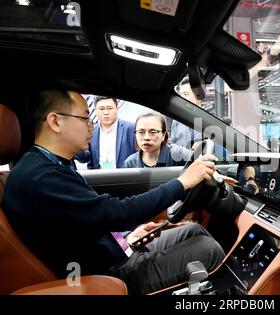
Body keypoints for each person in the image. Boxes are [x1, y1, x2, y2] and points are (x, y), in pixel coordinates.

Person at [2, 89, 225, 295]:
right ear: (56, 121)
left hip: (108, 255)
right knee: (208, 248)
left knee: (193, 230)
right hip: (103, 274)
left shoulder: (48, 166)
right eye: (85, 118)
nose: (92, 125)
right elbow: (115, 213)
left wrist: (126, 238)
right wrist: (182, 183)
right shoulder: (43, 178)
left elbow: (91, 218)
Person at [76, 97, 136, 169]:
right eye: (101, 109)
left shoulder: (131, 128)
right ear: (95, 110)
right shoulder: (91, 131)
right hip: (98, 176)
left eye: (110, 108)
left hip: (124, 176)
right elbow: (84, 158)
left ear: (117, 109)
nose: (106, 113)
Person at [123, 113, 192, 168]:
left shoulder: (176, 153)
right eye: (141, 132)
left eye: (153, 132)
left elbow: (200, 161)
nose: (146, 137)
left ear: (163, 135)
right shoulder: (130, 163)